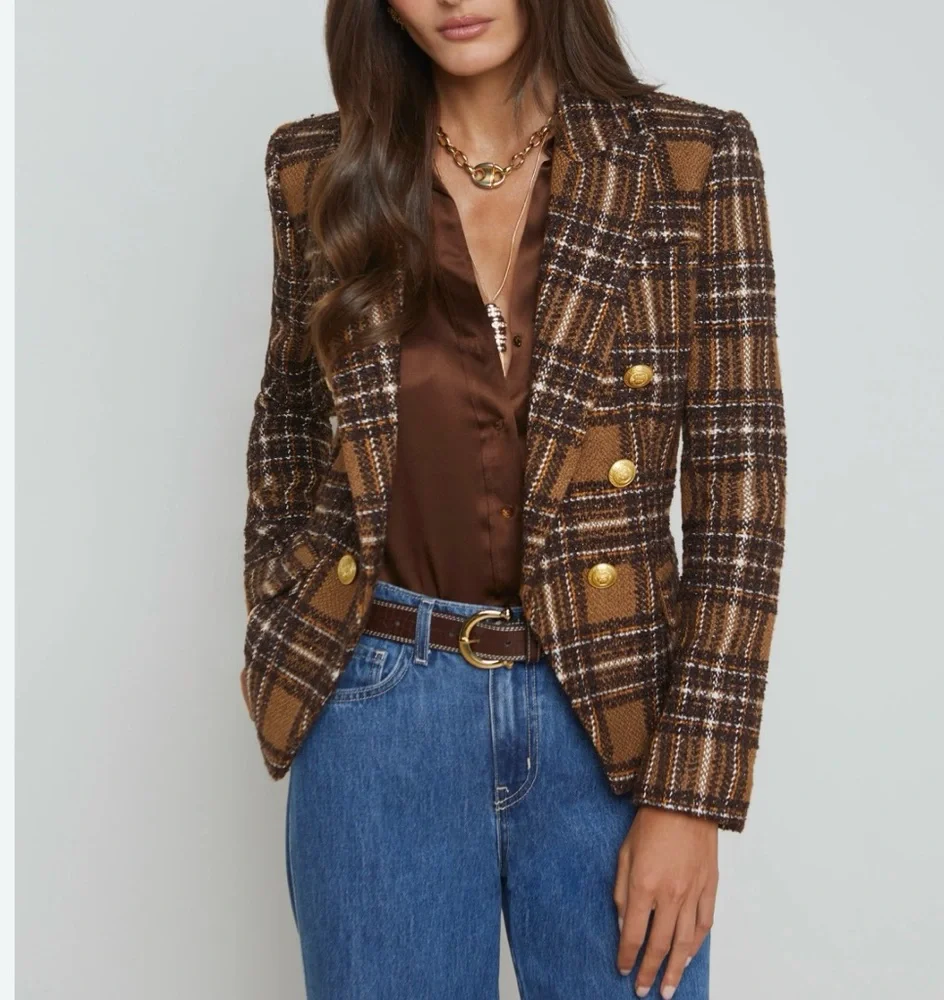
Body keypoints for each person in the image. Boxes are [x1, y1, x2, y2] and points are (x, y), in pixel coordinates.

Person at [240, 1, 787, 997]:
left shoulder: (690, 160)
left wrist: (690, 793)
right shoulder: (317, 169)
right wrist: (288, 623)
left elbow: (740, 499)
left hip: (613, 721)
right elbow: (288, 429)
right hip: (379, 720)